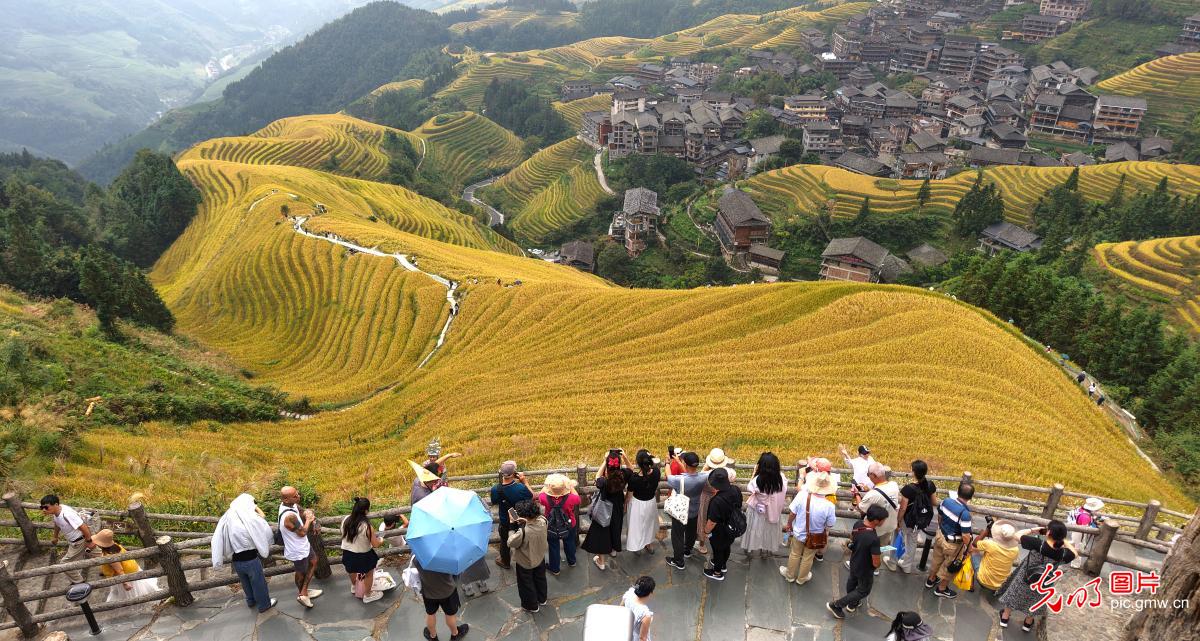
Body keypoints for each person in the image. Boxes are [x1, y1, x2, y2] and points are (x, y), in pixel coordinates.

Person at [998, 520, 1078, 633]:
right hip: (1044, 582)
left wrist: (1033, 530)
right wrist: (1063, 539)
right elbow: (1075, 553)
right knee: (1036, 600)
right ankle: (1027, 623)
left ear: (1048, 532)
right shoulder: (1063, 554)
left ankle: (1005, 618)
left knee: (1015, 593)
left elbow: (1016, 535)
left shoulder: (1038, 544)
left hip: (1026, 577)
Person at [212, 494, 276, 612]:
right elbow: (262, 518)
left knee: (245, 582)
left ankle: (250, 601)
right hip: (250, 559)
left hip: (236, 559)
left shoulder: (228, 517)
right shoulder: (248, 517)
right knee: (258, 583)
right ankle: (264, 605)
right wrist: (256, 507)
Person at [779, 460, 837, 585]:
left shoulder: (802, 496)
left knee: (794, 554)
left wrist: (789, 524)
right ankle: (802, 578)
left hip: (799, 532)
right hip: (815, 536)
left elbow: (792, 513)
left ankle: (790, 575)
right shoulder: (829, 506)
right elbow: (830, 524)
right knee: (808, 557)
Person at [826, 504, 887, 619]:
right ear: (876, 521)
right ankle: (837, 605)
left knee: (852, 581)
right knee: (863, 590)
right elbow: (875, 563)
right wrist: (879, 559)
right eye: (883, 520)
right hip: (865, 568)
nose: (884, 522)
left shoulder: (858, 524)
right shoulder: (874, 539)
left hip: (854, 561)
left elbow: (853, 539)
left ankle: (853, 603)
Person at [925, 482, 974, 599]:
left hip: (940, 536)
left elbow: (940, 516)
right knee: (950, 567)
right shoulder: (965, 514)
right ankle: (941, 589)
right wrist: (969, 548)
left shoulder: (945, 501)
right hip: (953, 544)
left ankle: (931, 579)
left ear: (958, 492)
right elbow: (966, 536)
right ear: (971, 497)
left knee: (937, 559)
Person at [582, 452, 628, 570]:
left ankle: (601, 562)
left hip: (604, 508)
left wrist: (604, 461)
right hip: (618, 506)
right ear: (619, 465)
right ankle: (613, 550)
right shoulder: (624, 475)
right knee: (615, 528)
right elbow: (631, 469)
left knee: (601, 533)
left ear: (608, 465)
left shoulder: (603, 481)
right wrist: (625, 458)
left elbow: (597, 476)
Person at [664, 451, 709, 570]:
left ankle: (678, 561)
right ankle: (687, 551)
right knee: (690, 532)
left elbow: (668, 476)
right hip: (694, 511)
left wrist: (667, 463)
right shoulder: (703, 477)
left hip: (681, 512)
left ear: (685, 463)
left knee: (677, 536)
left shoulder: (679, 480)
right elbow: (691, 474)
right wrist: (679, 462)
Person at [279, 486, 322, 608]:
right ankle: (302, 594)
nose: (298, 496)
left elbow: (303, 511)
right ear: (286, 500)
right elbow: (302, 532)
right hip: (296, 549)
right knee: (301, 571)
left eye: (297, 493)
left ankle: (304, 591)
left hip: (303, 545)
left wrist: (309, 514)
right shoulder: (289, 516)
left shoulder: (291, 505)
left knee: (313, 561)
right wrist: (309, 520)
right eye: (295, 496)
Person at [92, 529, 159, 603]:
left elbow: (119, 570)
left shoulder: (110, 556)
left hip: (126, 574)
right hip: (131, 567)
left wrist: (125, 584)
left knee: (130, 594)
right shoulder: (115, 545)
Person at [741, 452, 787, 559]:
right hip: (773, 512)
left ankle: (750, 549)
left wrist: (754, 473)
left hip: (757, 511)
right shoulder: (781, 480)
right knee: (768, 530)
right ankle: (765, 551)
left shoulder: (757, 481)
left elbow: (749, 487)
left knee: (753, 529)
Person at [854, 463, 899, 572]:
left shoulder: (873, 495)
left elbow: (861, 508)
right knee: (881, 548)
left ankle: (864, 566)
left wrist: (857, 494)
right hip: (890, 525)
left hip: (874, 529)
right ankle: (875, 568)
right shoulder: (894, 485)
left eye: (868, 474)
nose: (868, 476)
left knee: (865, 549)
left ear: (873, 475)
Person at [40, 494, 96, 584]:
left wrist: (89, 541)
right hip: (75, 541)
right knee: (100, 554)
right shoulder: (57, 512)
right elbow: (57, 523)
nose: (44, 510)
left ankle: (79, 582)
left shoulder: (67, 514)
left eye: (46, 507)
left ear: (56, 505)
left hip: (80, 541)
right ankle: (113, 566)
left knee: (65, 564)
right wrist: (55, 536)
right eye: (41, 507)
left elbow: (83, 527)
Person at [490, 461, 534, 570]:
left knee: (504, 542)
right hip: (520, 519)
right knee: (522, 540)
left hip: (505, 520)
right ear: (514, 473)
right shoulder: (520, 488)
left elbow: (494, 501)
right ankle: (523, 561)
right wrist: (524, 481)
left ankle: (505, 561)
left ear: (501, 473)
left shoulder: (495, 489)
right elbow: (531, 496)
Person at [507, 499, 549, 613]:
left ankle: (531, 606)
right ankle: (542, 599)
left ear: (523, 515)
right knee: (540, 579)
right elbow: (533, 522)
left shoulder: (523, 532)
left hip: (525, 561)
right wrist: (523, 522)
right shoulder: (543, 520)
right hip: (540, 556)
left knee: (526, 584)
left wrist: (512, 526)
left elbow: (511, 542)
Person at [896, 460, 937, 574]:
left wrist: (898, 521)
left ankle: (895, 561)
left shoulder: (908, 489)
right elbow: (934, 502)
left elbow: (903, 509)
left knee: (902, 538)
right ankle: (907, 565)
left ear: (914, 472)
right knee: (912, 540)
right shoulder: (930, 485)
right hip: (921, 520)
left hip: (908, 520)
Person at [415, 556, 469, 641]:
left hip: (429, 592)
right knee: (450, 614)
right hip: (448, 592)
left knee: (430, 613)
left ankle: (433, 636)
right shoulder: (447, 557)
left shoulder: (417, 557)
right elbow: (457, 574)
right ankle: (455, 634)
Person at [340, 497, 384, 603]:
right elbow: (375, 544)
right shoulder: (366, 526)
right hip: (363, 555)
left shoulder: (345, 519)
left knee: (352, 570)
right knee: (368, 573)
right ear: (365, 510)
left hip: (348, 552)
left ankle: (354, 586)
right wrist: (381, 540)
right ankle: (368, 595)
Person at [702, 468, 742, 581]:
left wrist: (706, 532)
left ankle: (717, 572)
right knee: (726, 546)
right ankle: (723, 564)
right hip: (732, 525)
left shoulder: (716, 501)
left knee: (718, 550)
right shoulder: (736, 490)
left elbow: (712, 522)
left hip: (720, 530)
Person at [538, 473, 580, 575]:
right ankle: (572, 561)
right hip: (569, 524)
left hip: (551, 525)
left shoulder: (545, 498)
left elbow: (540, 495)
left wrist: (547, 487)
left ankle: (555, 569)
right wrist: (570, 487)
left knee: (553, 546)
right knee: (569, 542)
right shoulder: (570, 498)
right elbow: (578, 498)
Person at [696, 448, 735, 555]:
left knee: (703, 519)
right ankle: (717, 540)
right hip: (721, 498)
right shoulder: (728, 473)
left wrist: (705, 468)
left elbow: (698, 478)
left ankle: (702, 543)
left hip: (706, 499)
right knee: (718, 520)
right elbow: (733, 476)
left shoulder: (704, 475)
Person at [624, 450, 662, 555]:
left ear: (638, 463)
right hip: (651, 502)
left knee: (636, 526)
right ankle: (649, 544)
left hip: (637, 504)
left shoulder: (634, 478)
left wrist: (625, 505)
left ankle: (637, 546)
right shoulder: (656, 472)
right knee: (649, 524)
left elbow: (629, 496)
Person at [970, 519, 1020, 593]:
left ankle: (970, 585)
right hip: (1001, 585)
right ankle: (994, 588)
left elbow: (974, 543)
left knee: (973, 550)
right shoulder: (1015, 549)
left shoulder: (990, 544)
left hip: (983, 582)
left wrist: (986, 530)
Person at [1067, 497, 1104, 568]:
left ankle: (1063, 546)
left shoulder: (1081, 509)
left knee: (1074, 543)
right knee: (1079, 547)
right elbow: (1086, 529)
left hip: (1076, 528)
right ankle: (1075, 565)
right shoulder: (1085, 517)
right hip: (1080, 532)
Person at [622, 576, 656, 641]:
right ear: (650, 593)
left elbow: (620, 608)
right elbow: (642, 638)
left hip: (626, 631)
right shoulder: (645, 614)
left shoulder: (629, 593)